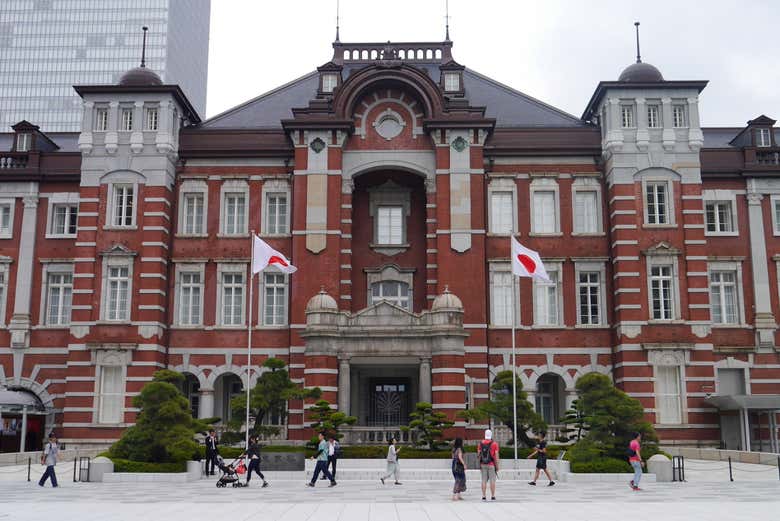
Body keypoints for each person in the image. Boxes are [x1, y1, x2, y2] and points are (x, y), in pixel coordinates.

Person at [478, 429, 499, 501]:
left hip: (483, 464)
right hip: (491, 464)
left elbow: (479, 455)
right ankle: (493, 496)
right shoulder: (494, 444)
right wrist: (497, 466)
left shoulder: (480, 443)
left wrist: (480, 464)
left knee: (483, 480)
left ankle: (483, 496)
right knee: (492, 481)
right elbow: (496, 456)